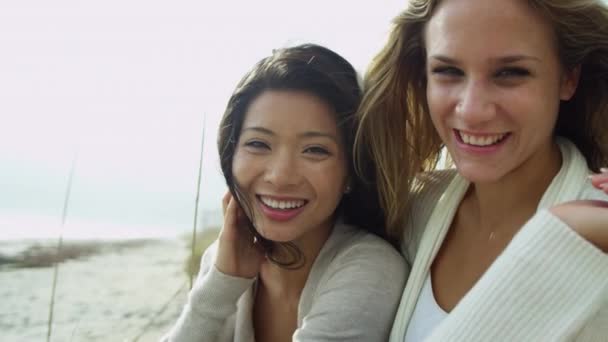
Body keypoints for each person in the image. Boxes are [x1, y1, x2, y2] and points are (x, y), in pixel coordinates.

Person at [354, 0, 608, 340]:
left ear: (567, 79)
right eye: (448, 71)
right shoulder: (415, 209)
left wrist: (564, 236)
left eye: (510, 73)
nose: (472, 111)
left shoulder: (600, 240)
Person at [162, 44, 407, 342]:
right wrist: (219, 285)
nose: (280, 176)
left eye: (315, 150)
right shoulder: (225, 260)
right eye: (258, 144)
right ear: (231, 154)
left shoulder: (370, 270)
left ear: (351, 172)